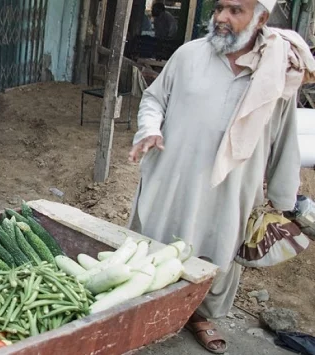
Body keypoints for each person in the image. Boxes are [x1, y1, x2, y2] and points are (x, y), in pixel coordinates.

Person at [128, 0, 315, 352]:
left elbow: (285, 139)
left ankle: (199, 315)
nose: (222, 19)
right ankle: (144, 310)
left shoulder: (278, 72)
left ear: (260, 18)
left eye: (235, 11)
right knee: (152, 242)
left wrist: (283, 199)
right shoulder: (189, 55)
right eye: (219, 9)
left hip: (230, 185)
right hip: (173, 173)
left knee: (216, 248)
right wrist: (149, 129)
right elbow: (153, 99)